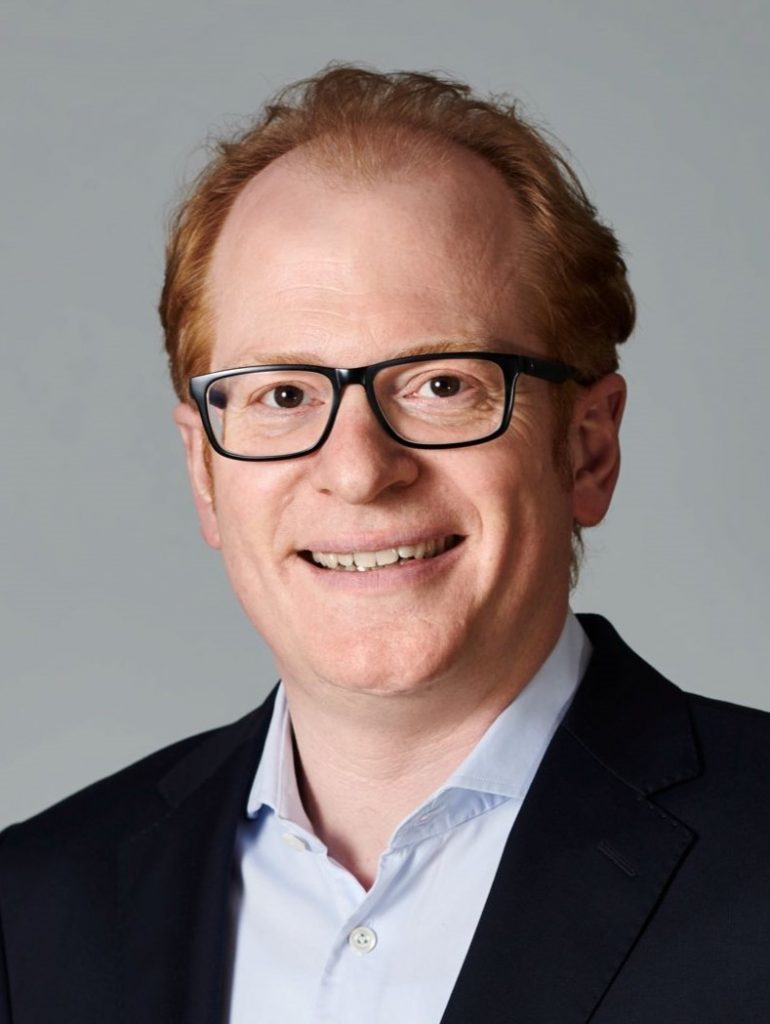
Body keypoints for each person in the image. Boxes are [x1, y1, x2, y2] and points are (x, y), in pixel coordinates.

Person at [1, 65, 768, 1024]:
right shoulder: (34, 910)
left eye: (443, 385)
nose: (360, 470)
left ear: (588, 449)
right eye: (284, 395)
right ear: (205, 472)